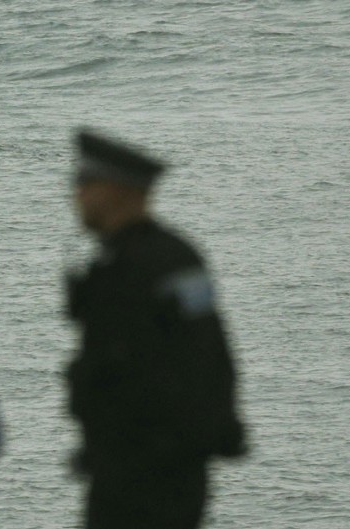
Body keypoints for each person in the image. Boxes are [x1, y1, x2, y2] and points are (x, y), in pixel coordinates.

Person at [64, 129, 247, 529]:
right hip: (118, 464)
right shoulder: (111, 262)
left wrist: (184, 446)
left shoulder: (172, 261)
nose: (74, 196)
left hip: (158, 470)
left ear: (115, 191)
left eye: (83, 184)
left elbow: (209, 354)